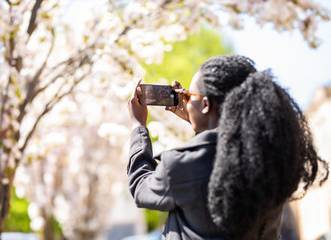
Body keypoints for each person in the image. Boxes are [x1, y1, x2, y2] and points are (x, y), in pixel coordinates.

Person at [126, 54, 328, 240]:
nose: (186, 102)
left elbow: (141, 186)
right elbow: (220, 152)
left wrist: (139, 127)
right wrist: (201, 123)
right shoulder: (270, 160)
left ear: (205, 105)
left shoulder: (182, 165)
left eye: (189, 97)